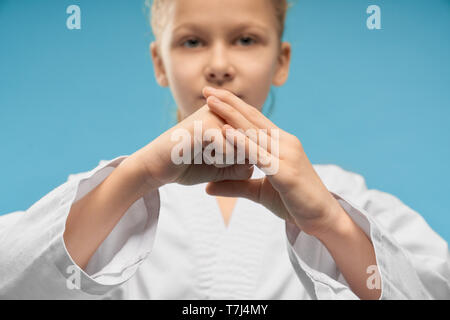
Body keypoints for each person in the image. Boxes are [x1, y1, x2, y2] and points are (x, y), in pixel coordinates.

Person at [0, 0, 448, 300]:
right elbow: (13, 282)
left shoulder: (346, 196)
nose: (218, 67)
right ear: (160, 62)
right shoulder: (107, 191)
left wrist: (331, 224)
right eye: (192, 41)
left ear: (282, 60)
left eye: (246, 39)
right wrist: (136, 177)